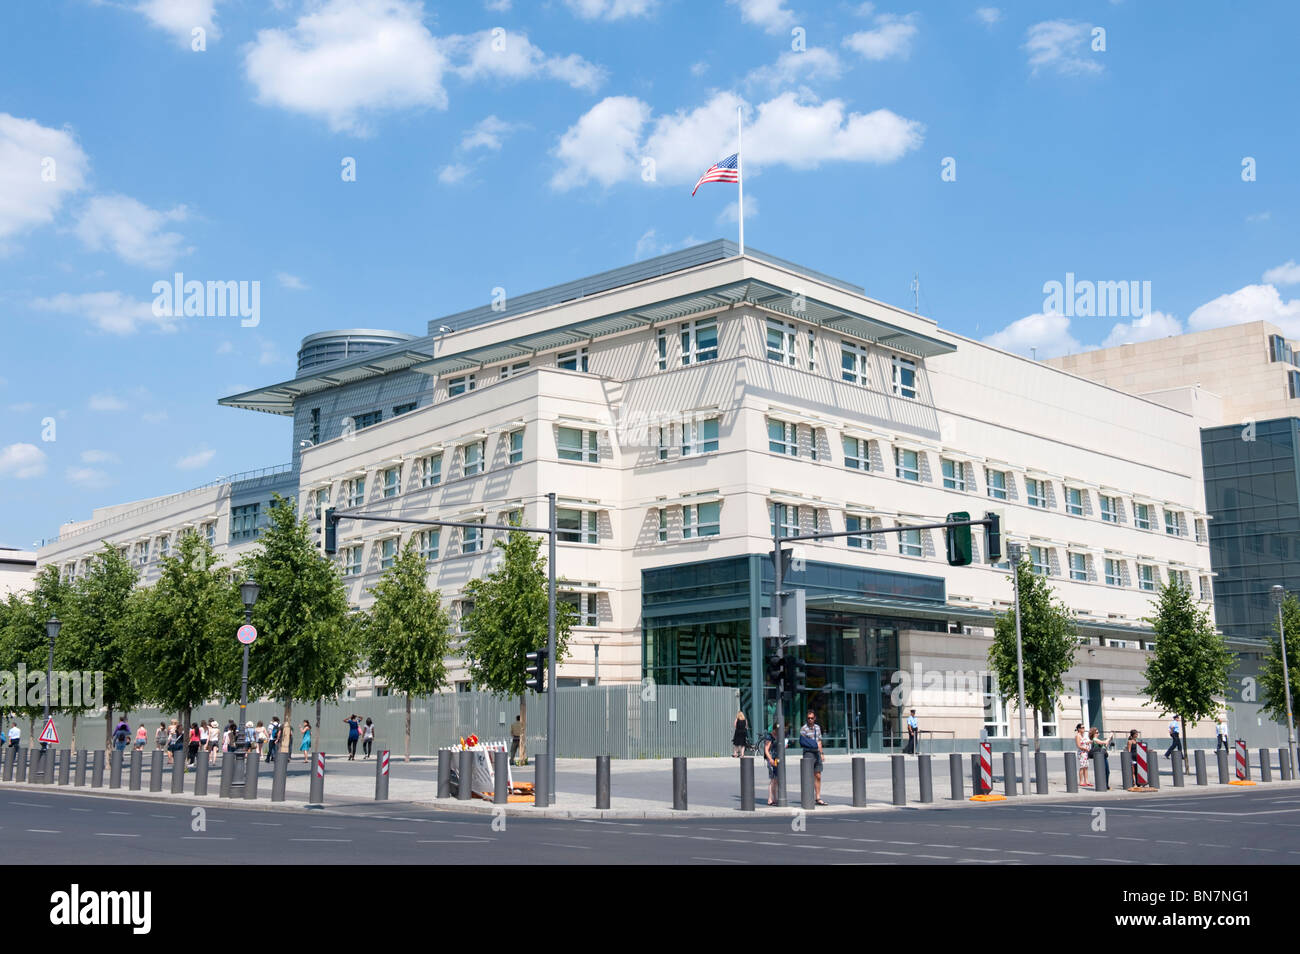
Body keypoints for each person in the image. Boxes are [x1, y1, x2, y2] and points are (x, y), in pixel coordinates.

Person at [799, 709, 827, 805]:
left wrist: (821, 753)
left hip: (817, 753)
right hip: (808, 753)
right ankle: (808, 796)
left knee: (818, 775)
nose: (810, 719)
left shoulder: (817, 728)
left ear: (814, 718)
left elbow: (819, 741)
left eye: (811, 718)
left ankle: (818, 797)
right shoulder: (804, 729)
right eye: (808, 718)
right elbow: (802, 742)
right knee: (809, 776)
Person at [762, 722, 780, 806]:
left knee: (776, 779)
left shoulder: (778, 736)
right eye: (776, 729)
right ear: (774, 729)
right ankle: (770, 798)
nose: (777, 731)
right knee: (773, 778)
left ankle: (775, 798)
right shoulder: (769, 736)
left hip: (777, 759)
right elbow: (766, 749)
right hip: (771, 759)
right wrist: (770, 759)